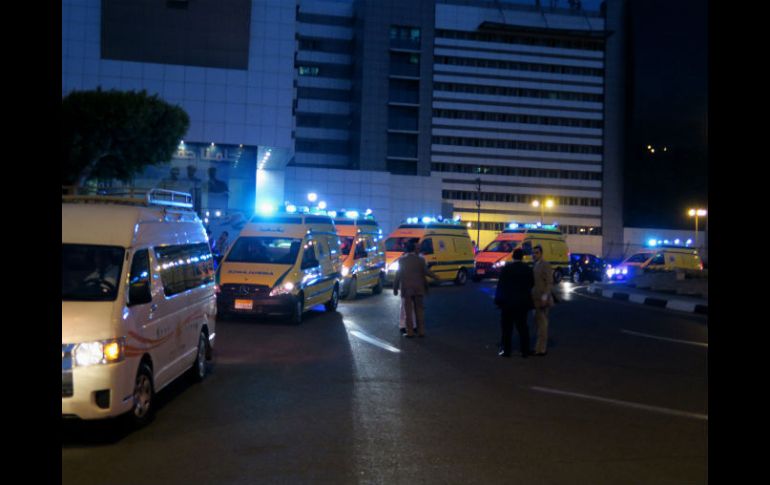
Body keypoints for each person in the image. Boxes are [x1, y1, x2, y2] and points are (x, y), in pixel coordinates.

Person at [494, 248, 534, 358]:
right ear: (522, 257)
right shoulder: (527, 269)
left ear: (513, 257)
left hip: (508, 303)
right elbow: (531, 284)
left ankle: (507, 351)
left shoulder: (507, 269)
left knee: (507, 328)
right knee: (523, 327)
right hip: (522, 303)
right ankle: (525, 350)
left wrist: (498, 301)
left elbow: (501, 285)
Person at [393, 240, 437, 338]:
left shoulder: (402, 260)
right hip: (418, 288)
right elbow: (426, 272)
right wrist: (436, 276)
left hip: (407, 289)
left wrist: (395, 288)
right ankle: (421, 331)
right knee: (419, 310)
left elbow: (398, 275)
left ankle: (410, 332)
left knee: (408, 311)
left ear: (406, 250)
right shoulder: (420, 260)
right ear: (414, 249)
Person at [531, 245, 554, 356]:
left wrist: (545, 296)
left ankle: (541, 349)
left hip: (542, 299)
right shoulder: (535, 264)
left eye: (536, 253)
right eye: (533, 253)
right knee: (538, 324)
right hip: (535, 299)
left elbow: (549, 282)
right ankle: (538, 348)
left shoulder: (545, 264)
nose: (534, 255)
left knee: (542, 324)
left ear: (541, 253)